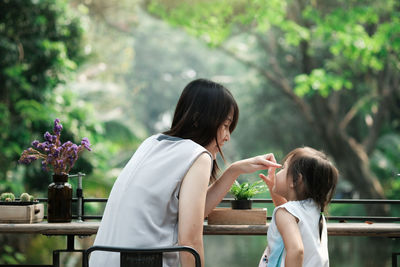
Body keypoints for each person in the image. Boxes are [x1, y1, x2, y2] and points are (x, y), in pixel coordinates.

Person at [89, 78, 281, 267]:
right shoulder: (197, 156)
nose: (227, 136)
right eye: (225, 125)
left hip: (101, 259)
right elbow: (190, 240)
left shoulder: (152, 143)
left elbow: (193, 214)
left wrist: (234, 171)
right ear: (199, 119)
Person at [258, 147, 338, 267]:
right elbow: (288, 219)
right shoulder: (314, 210)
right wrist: (272, 187)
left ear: (296, 181)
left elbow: (296, 250)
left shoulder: (285, 213)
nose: (278, 171)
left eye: (284, 168)